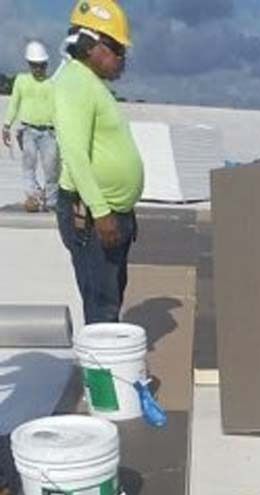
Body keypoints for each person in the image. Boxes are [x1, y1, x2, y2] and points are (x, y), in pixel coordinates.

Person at [54, 0, 144, 324]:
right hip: (92, 216)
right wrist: (102, 212)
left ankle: (109, 369)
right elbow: (75, 155)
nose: (122, 58)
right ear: (90, 45)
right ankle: (100, 375)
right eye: (117, 48)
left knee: (109, 299)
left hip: (108, 214)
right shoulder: (75, 83)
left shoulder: (91, 84)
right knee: (101, 307)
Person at [2, 41, 59, 213]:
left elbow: (59, 109)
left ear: (46, 65)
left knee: (51, 168)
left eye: (41, 66)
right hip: (27, 131)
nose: (38, 69)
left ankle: (51, 201)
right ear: (29, 64)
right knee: (28, 165)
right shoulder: (21, 81)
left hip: (49, 132)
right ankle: (33, 197)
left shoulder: (53, 83)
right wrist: (6, 126)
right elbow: (14, 103)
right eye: (34, 66)